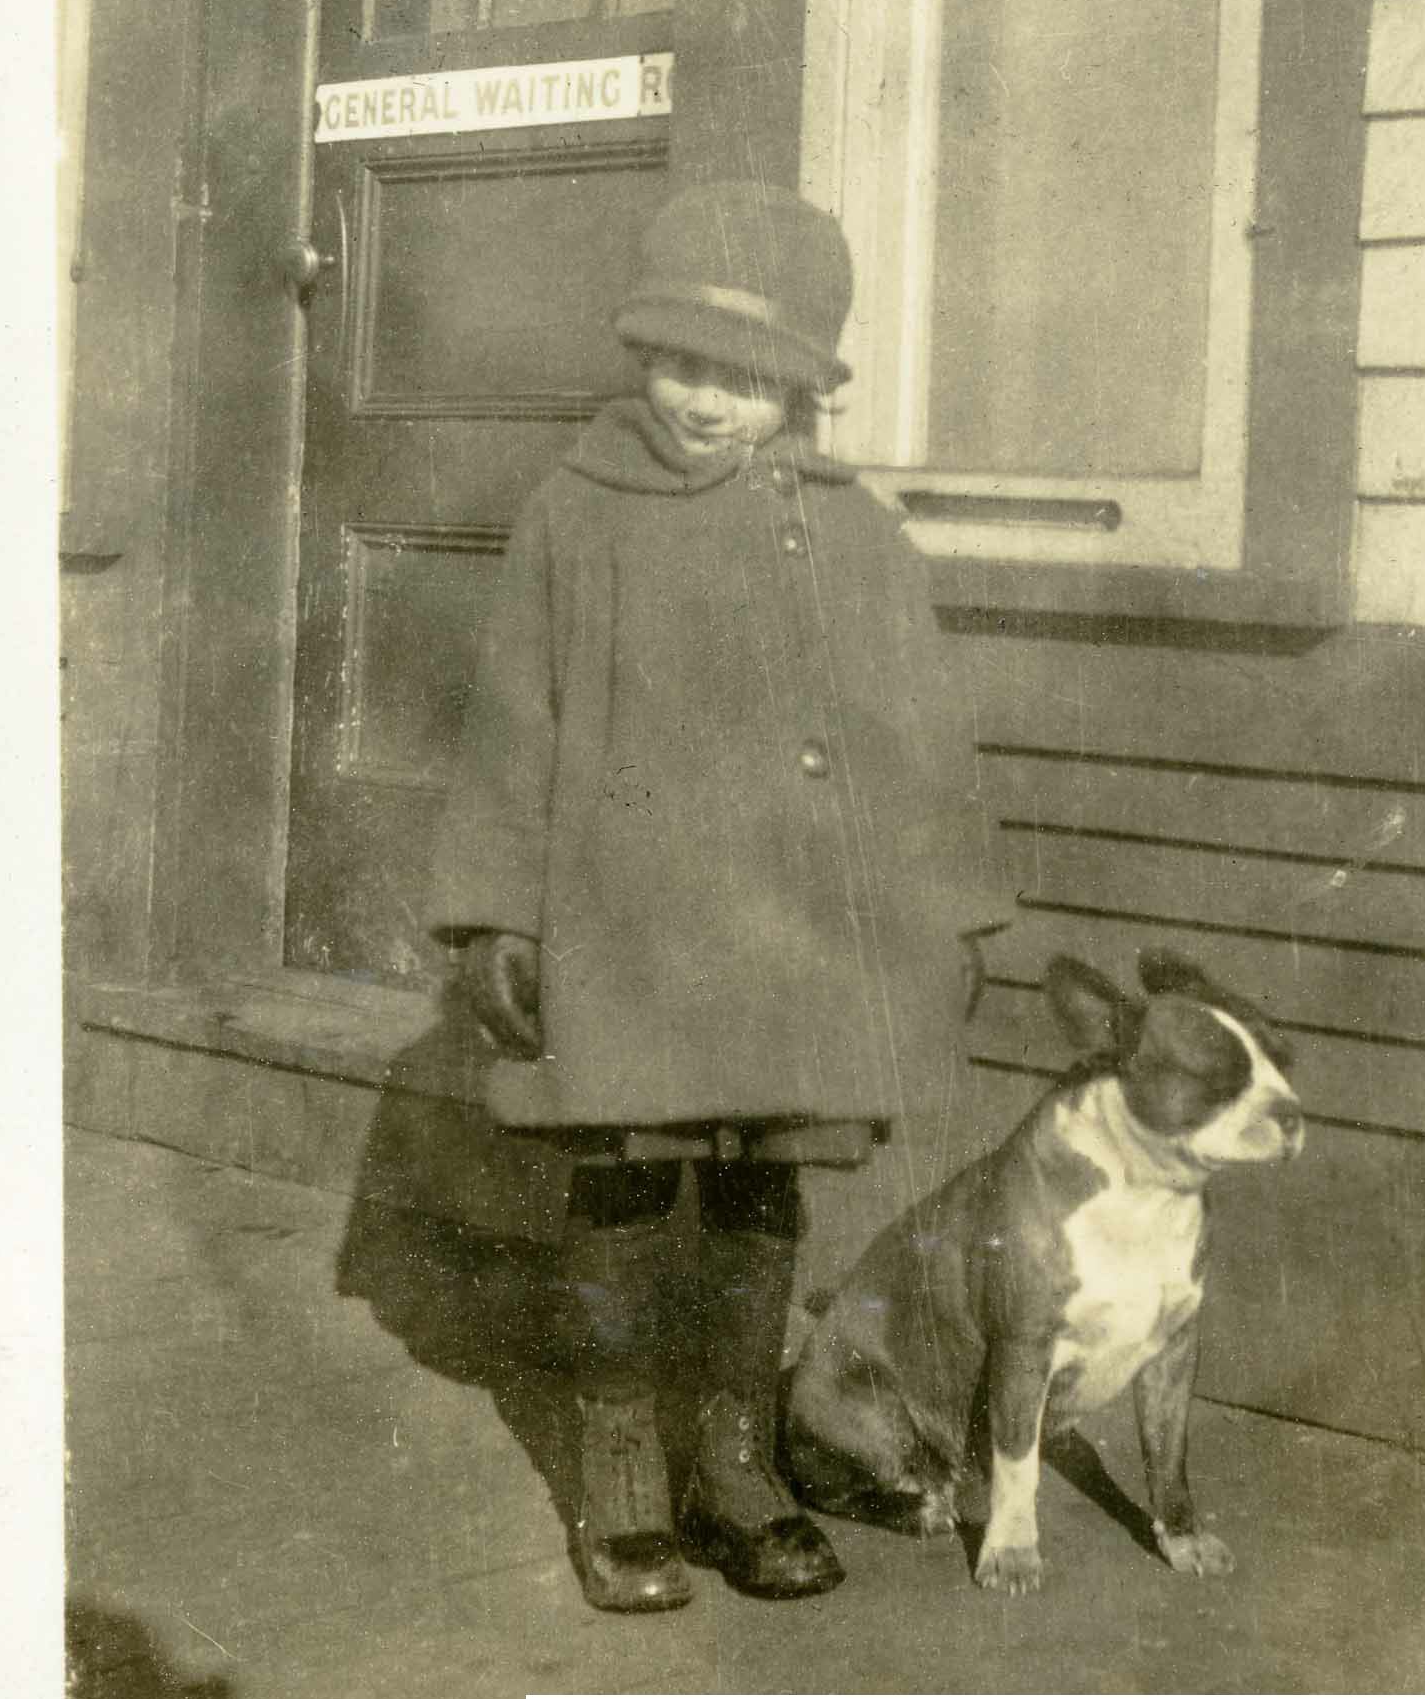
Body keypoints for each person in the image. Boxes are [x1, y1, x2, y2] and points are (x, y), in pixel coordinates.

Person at [427, 180, 1007, 1612]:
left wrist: (954, 910)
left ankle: (735, 1463)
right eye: (684, 365)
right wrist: (500, 914)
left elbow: (918, 735)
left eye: (746, 381)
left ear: (798, 392)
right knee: (622, 1174)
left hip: (792, 927)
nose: (706, 403)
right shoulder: (575, 513)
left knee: (758, 1185)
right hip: (621, 922)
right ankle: (624, 1470)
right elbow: (516, 723)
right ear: (639, 357)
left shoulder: (851, 534)